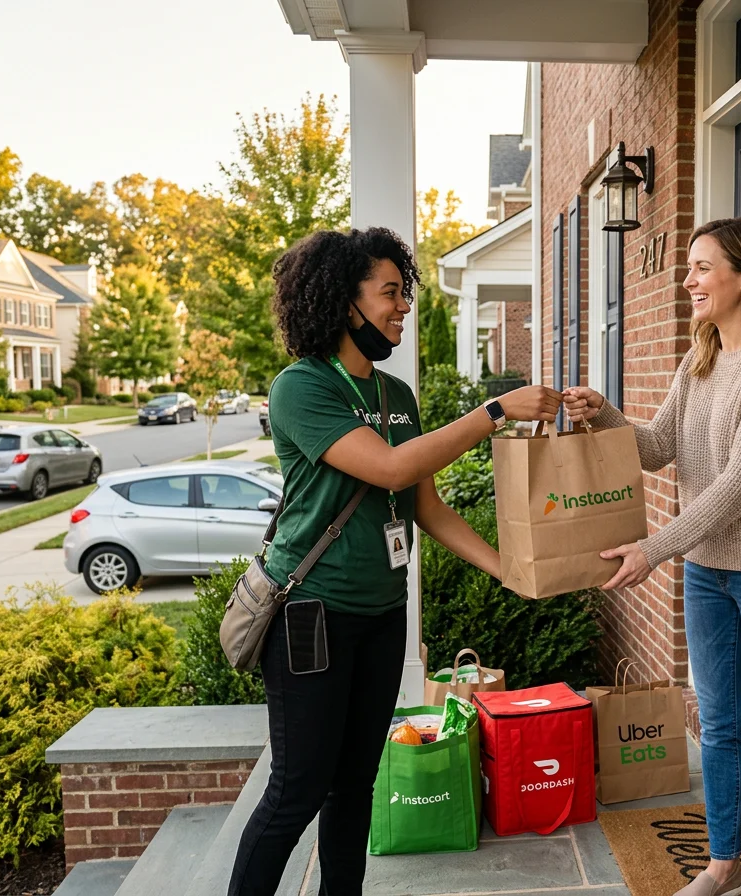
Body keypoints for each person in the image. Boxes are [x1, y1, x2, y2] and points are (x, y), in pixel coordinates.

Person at [228, 227, 561, 896]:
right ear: (343, 301)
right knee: (299, 790)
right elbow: (387, 466)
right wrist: (493, 411)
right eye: (390, 293)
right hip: (311, 615)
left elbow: (425, 507)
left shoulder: (395, 397)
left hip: (381, 616)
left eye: (404, 294)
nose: (403, 306)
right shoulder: (300, 387)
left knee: (355, 786)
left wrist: (508, 569)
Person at [563, 217, 741, 896]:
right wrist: (608, 412)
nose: (689, 281)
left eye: (703, 267)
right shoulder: (700, 356)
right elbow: (657, 448)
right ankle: (722, 868)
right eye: (689, 268)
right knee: (716, 728)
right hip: (708, 571)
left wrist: (653, 549)